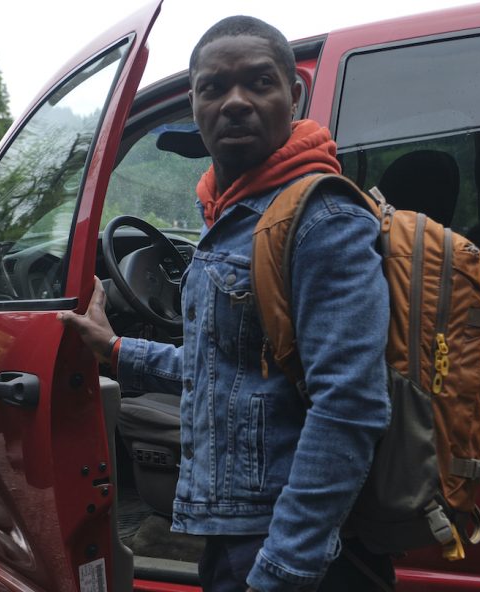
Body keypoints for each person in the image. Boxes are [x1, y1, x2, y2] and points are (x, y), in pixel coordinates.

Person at [60, 16, 393, 592]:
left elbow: (349, 407)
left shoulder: (322, 219)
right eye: (214, 88)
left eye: (258, 83)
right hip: (235, 527)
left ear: (293, 96)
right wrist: (114, 349)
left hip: (290, 541)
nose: (235, 102)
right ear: (193, 103)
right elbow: (230, 369)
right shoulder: (229, 214)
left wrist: (284, 569)